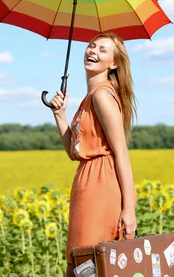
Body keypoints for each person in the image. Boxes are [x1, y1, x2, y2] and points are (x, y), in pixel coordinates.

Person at [48, 32, 138, 276]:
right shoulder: (90, 97)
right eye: (91, 46)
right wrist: (60, 115)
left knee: (89, 262)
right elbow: (73, 151)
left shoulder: (101, 96)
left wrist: (129, 209)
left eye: (102, 50)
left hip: (102, 184)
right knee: (82, 262)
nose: (93, 51)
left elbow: (122, 153)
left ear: (114, 63)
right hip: (87, 181)